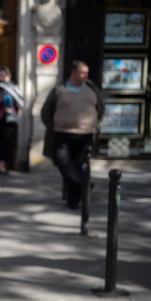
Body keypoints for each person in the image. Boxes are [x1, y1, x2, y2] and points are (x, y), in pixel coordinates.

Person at [41, 60, 104, 209]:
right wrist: (53, 126)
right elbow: (46, 111)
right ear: (73, 73)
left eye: (87, 73)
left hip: (86, 135)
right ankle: (83, 186)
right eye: (82, 73)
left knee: (77, 165)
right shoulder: (60, 89)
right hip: (63, 134)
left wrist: (95, 125)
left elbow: (101, 109)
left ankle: (73, 200)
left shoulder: (92, 88)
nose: (85, 75)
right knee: (61, 161)